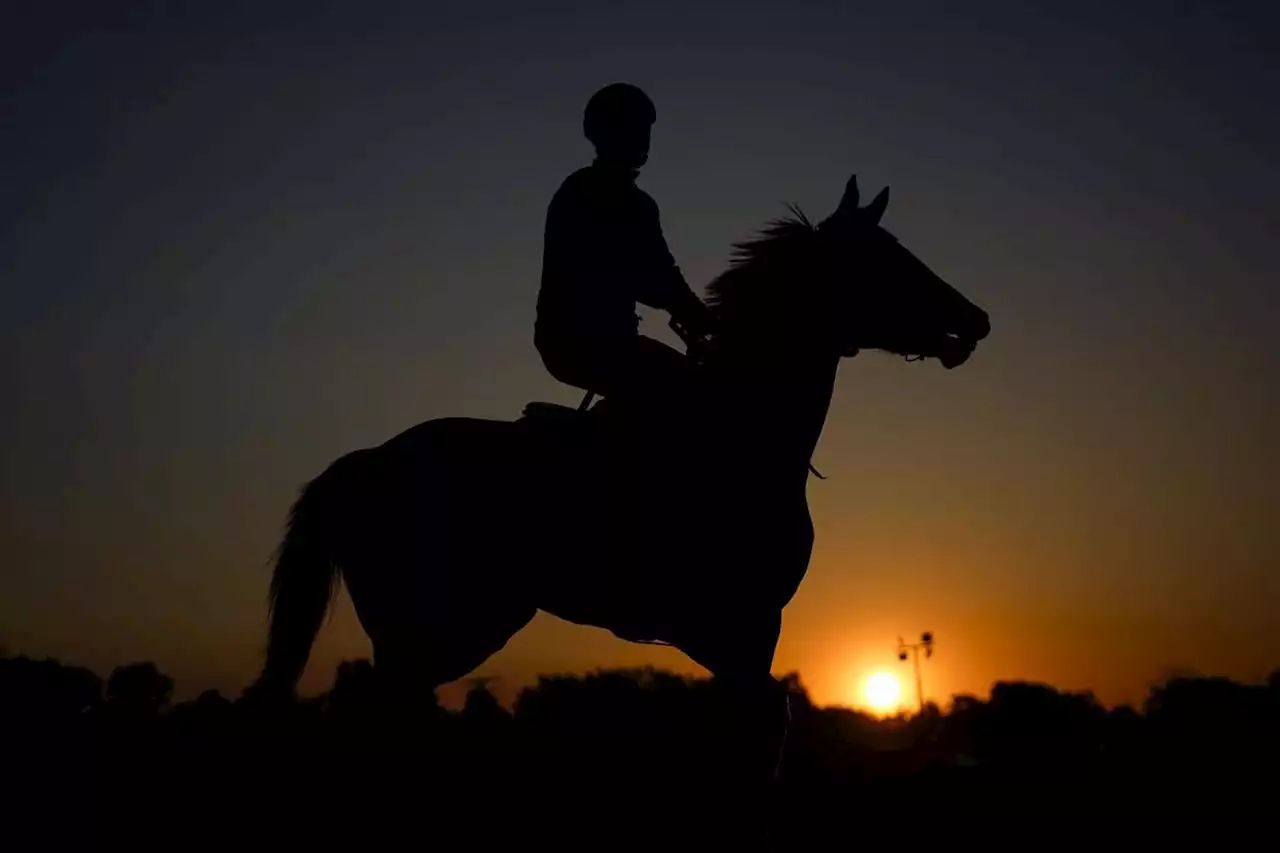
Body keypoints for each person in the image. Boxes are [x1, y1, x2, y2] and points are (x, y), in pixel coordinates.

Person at [535, 83, 716, 423]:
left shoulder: (642, 204)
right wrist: (696, 314)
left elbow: (663, 271)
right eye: (634, 128)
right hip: (577, 340)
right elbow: (643, 275)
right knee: (690, 390)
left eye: (646, 130)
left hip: (613, 340)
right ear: (606, 133)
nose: (643, 138)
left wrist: (698, 315)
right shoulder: (583, 191)